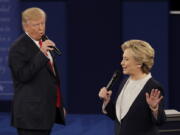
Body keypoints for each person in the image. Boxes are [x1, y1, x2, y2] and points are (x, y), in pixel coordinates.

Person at [8, 7, 66, 135]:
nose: (41, 28)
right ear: (25, 26)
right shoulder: (18, 48)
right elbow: (22, 76)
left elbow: (52, 78)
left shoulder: (43, 43)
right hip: (29, 116)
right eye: (36, 25)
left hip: (46, 114)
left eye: (42, 23)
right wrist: (41, 54)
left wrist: (59, 105)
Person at [98, 40, 166, 135]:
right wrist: (107, 101)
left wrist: (154, 108)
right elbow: (119, 117)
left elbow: (160, 121)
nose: (122, 63)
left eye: (126, 59)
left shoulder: (153, 87)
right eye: (123, 58)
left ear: (139, 63)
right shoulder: (124, 82)